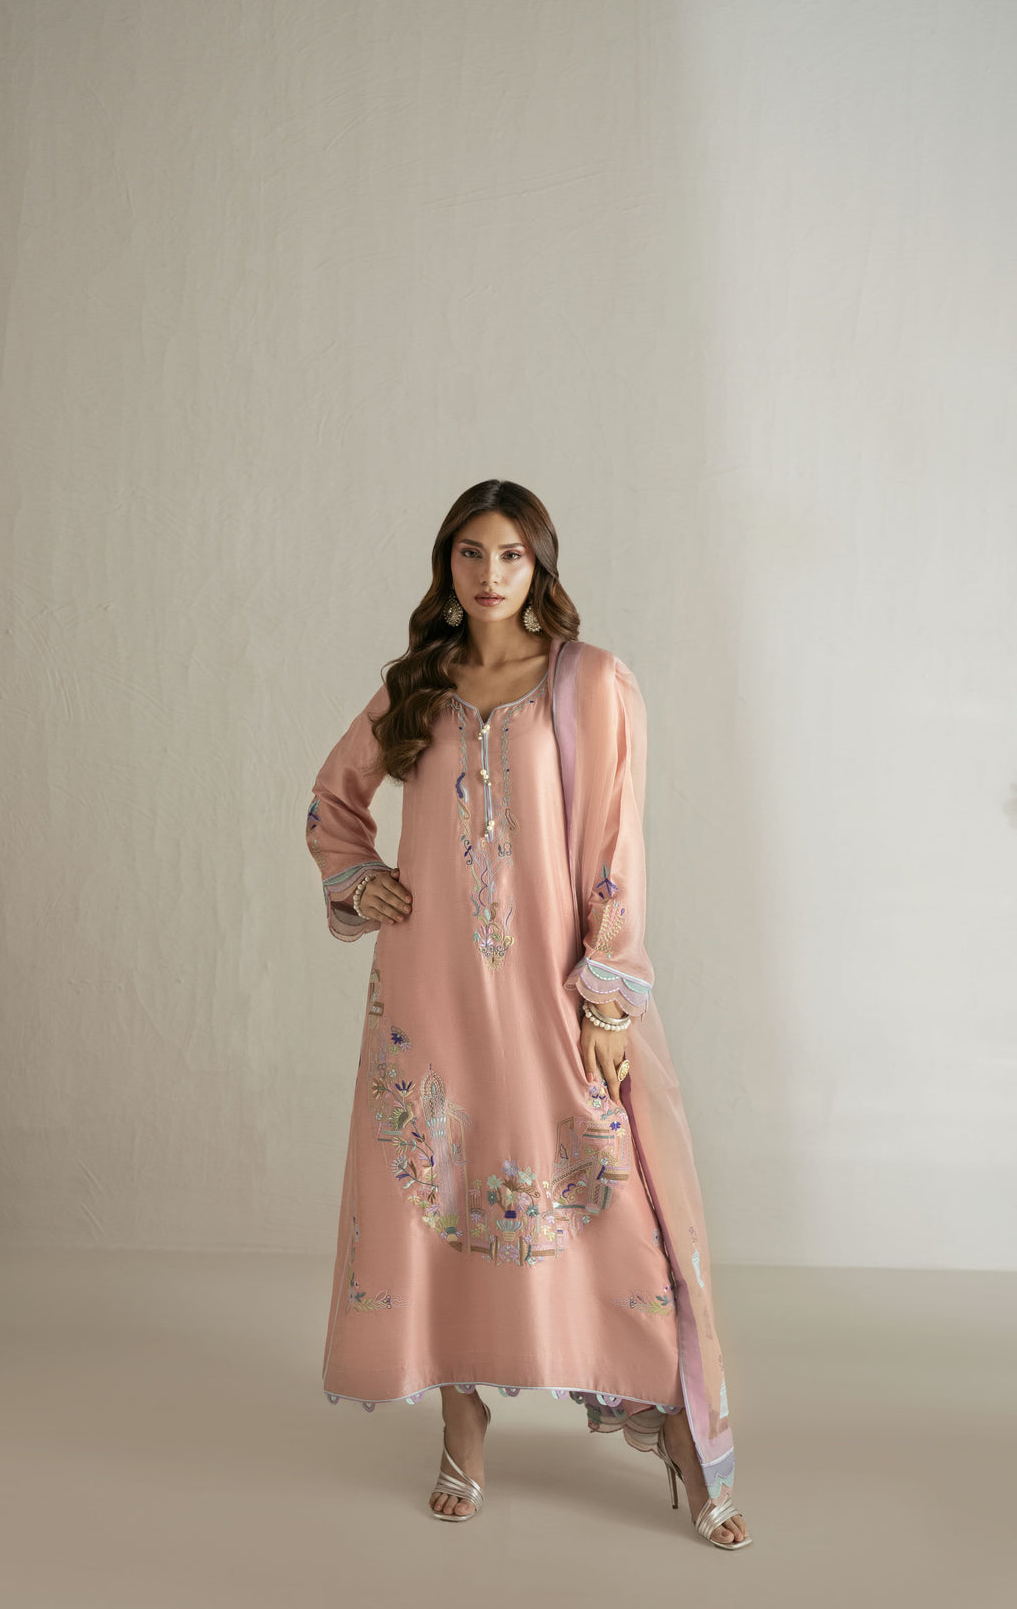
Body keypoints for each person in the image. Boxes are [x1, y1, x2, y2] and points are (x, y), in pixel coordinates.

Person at [305, 480, 751, 1549]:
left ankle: (677, 1427)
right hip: (431, 990)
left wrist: (609, 994)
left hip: (552, 988)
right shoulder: (416, 687)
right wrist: (363, 878)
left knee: (609, 1194)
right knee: (438, 1193)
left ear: (539, 565)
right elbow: (332, 799)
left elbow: (616, 847)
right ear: (446, 566)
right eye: (470, 553)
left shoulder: (586, 682)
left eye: (510, 554)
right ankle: (461, 1430)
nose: (489, 574)